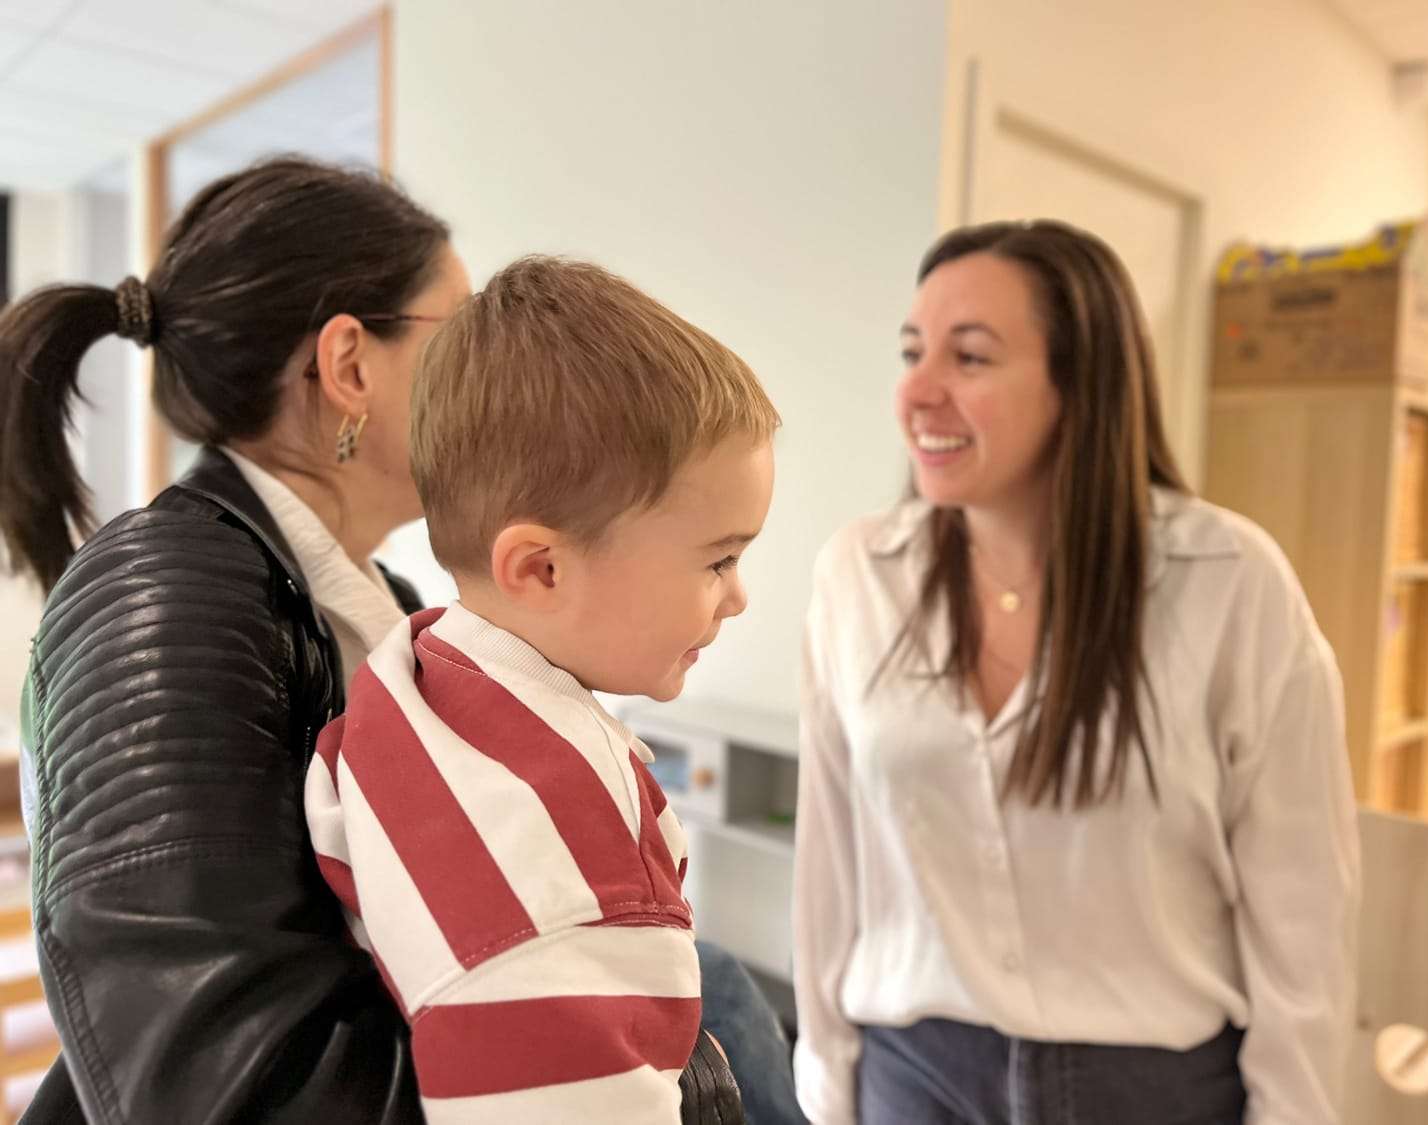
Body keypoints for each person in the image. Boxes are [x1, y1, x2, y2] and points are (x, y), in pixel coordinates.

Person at [0, 158, 769, 1124]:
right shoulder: (162, 596)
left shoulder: (393, 610)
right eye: (459, 331)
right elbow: (221, 1078)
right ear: (350, 368)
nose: (490, 366)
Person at [791, 220, 1359, 1125]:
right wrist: (827, 1089)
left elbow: (1303, 910)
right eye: (912, 352)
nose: (918, 391)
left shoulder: (1229, 581)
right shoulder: (858, 575)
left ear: (1079, 382)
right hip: (913, 1079)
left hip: (1152, 1092)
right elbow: (829, 868)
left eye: (969, 357)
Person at [307, 255, 779, 1122]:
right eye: (718, 560)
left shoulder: (416, 671)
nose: (738, 596)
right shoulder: (566, 886)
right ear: (541, 568)